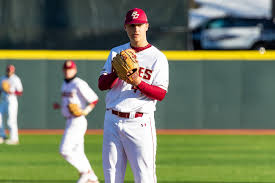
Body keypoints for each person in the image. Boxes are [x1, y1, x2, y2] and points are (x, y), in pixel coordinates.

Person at [98, 8, 169, 183]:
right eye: (131, 25)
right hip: (112, 120)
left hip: (140, 122)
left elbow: (160, 93)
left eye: (139, 25)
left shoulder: (157, 58)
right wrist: (117, 73)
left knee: (145, 178)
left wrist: (137, 81)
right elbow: (102, 84)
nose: (135, 29)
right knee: (112, 178)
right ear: (126, 28)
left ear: (147, 26)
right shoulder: (116, 52)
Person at [59, 60, 100, 183]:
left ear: (75, 70)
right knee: (79, 152)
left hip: (77, 121)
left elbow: (94, 99)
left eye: (70, 69)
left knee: (64, 150)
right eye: (66, 69)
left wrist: (85, 111)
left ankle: (85, 172)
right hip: (69, 121)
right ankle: (92, 179)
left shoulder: (79, 83)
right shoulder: (64, 84)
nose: (68, 71)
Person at [0, 64, 23, 145]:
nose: (9, 71)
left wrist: (11, 91)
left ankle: (14, 139)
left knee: (11, 120)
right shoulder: (2, 78)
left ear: (13, 71)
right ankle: (2, 136)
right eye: (8, 70)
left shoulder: (16, 79)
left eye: (11, 70)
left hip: (12, 100)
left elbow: (20, 92)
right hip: (3, 100)